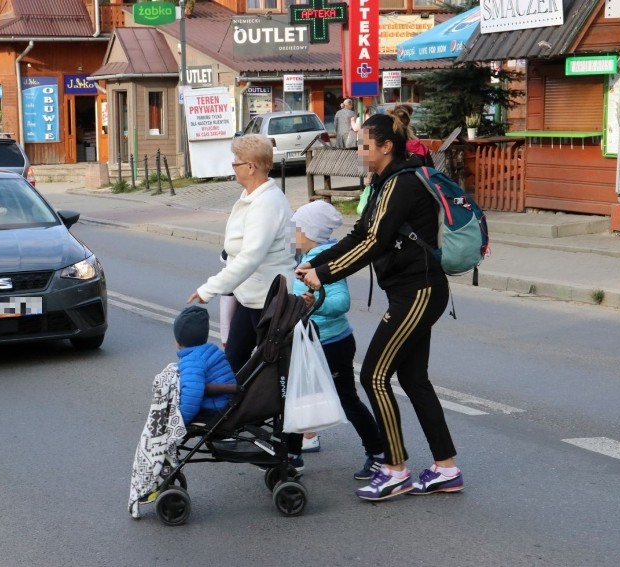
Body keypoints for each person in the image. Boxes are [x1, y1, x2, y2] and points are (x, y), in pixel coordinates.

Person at [295, 110, 464, 501]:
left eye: (365, 145)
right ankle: (446, 468)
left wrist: (326, 274)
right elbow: (360, 233)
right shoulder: (385, 181)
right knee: (414, 379)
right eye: (359, 144)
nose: (359, 150)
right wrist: (316, 263)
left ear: (387, 147)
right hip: (412, 290)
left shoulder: (402, 185)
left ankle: (394, 469)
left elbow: (374, 244)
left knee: (373, 375)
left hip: (418, 292)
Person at [187, 134, 301, 465]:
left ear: (251, 166)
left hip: (271, 302)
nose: (233, 168)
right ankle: (225, 425)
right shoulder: (250, 195)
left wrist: (210, 288)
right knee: (233, 361)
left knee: (278, 376)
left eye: (236, 162)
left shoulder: (267, 202)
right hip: (249, 296)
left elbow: (251, 256)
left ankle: (289, 450)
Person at [291, 201, 386, 478]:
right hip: (309, 341)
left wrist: (313, 303)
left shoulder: (324, 259)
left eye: (295, 229)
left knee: (346, 399)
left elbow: (341, 302)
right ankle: (293, 455)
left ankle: (378, 452)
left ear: (309, 232)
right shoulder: (306, 256)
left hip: (331, 343)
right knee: (298, 397)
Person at [172, 305, 237, 425]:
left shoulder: (192, 361)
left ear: (179, 341)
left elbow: (191, 395)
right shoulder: (212, 350)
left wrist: (179, 422)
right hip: (228, 402)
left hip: (214, 410)